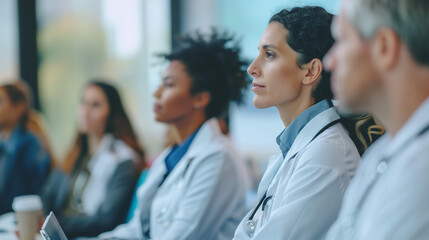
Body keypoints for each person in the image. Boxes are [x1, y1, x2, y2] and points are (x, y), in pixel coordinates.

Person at [98, 30, 248, 240]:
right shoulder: (170, 157)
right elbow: (139, 229)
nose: (157, 93)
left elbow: (181, 235)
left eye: (168, 84)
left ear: (200, 99)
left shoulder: (217, 157)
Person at [233, 6, 368, 240]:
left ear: (311, 71)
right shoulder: (300, 147)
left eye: (270, 55)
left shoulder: (326, 154)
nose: (252, 68)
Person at [323, 0, 429, 239]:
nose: (329, 61)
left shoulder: (421, 170)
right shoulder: (381, 153)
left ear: (384, 47)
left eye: (341, 41)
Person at [42, 80, 145, 238]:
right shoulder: (76, 154)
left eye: (95, 105)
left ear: (111, 113)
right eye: (83, 102)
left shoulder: (123, 161)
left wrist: (57, 223)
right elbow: (48, 196)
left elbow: (106, 220)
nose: (85, 111)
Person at [0, 80, 51, 215]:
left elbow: (31, 193)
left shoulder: (31, 146)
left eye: (0, 101)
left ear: (19, 107)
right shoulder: (3, 145)